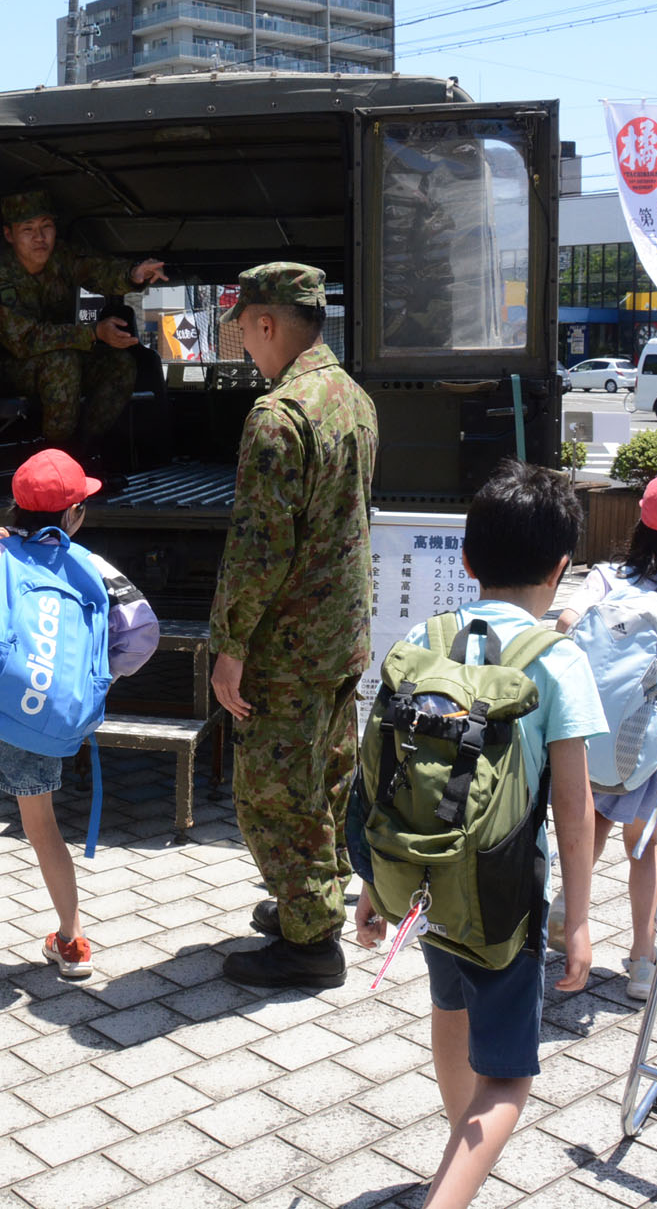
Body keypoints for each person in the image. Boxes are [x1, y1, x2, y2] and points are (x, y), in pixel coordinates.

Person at [355, 459, 600, 1209]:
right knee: (511, 1075)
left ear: (465, 560)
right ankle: (451, 1193)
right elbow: (574, 802)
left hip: (424, 878)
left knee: (449, 1012)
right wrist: (581, 922)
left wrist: (371, 881)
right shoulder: (558, 659)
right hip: (505, 897)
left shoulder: (425, 637)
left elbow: (380, 771)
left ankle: (454, 1162)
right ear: (562, 568)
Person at [0, 449, 159, 977]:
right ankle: (70, 942)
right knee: (42, 825)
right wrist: (96, 672)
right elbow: (143, 632)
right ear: (74, 515)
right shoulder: (91, 567)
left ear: (15, 509)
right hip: (44, 715)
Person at [207, 262, 378, 989]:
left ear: (268, 323)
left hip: (289, 641)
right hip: (342, 632)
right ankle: (311, 900)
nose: (245, 345)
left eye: (244, 329)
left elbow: (257, 547)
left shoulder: (279, 415)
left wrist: (229, 646)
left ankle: (310, 944)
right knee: (329, 774)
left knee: (275, 791)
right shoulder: (352, 396)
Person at [553, 470, 657, 1001]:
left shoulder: (607, 578)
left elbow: (565, 622)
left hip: (589, 732)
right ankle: (643, 962)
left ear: (642, 525)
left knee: (592, 823)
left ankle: (566, 908)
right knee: (645, 849)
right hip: (650, 748)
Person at [0, 189, 169, 446]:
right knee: (63, 363)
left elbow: (98, 269)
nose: (39, 237)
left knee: (119, 364)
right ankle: (57, 459)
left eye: (46, 226)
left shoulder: (62, 257)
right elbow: (23, 340)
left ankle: (83, 449)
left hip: (52, 358)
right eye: (28, 229)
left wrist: (132, 274)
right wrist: (93, 333)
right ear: (9, 235)